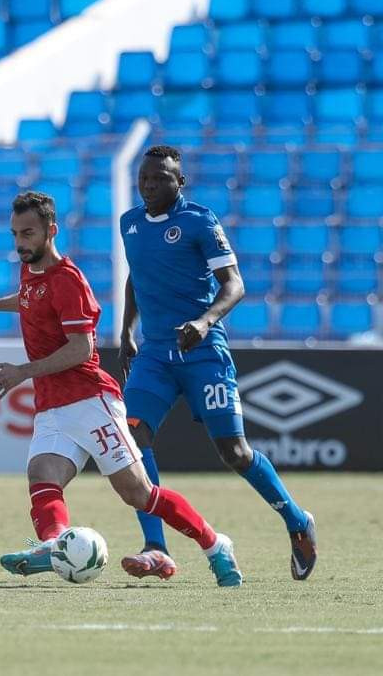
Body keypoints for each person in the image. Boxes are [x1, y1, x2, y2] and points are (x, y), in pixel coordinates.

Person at [0, 191, 242, 587]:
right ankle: (56, 547)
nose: (20, 242)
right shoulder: (32, 271)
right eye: (15, 234)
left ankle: (215, 545)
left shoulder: (69, 281)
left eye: (28, 234)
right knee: (43, 478)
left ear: (50, 231)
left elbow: (82, 349)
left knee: (139, 494)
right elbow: (28, 299)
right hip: (52, 404)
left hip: (91, 401)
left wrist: (23, 371)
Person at [117, 146, 316, 581]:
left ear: (179, 182)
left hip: (203, 353)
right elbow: (137, 274)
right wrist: (126, 331)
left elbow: (235, 284)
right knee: (132, 437)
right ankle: (156, 547)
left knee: (235, 452)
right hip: (154, 354)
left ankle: (298, 522)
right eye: (144, 179)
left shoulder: (199, 221)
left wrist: (206, 321)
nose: (150, 186)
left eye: (160, 179)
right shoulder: (129, 223)